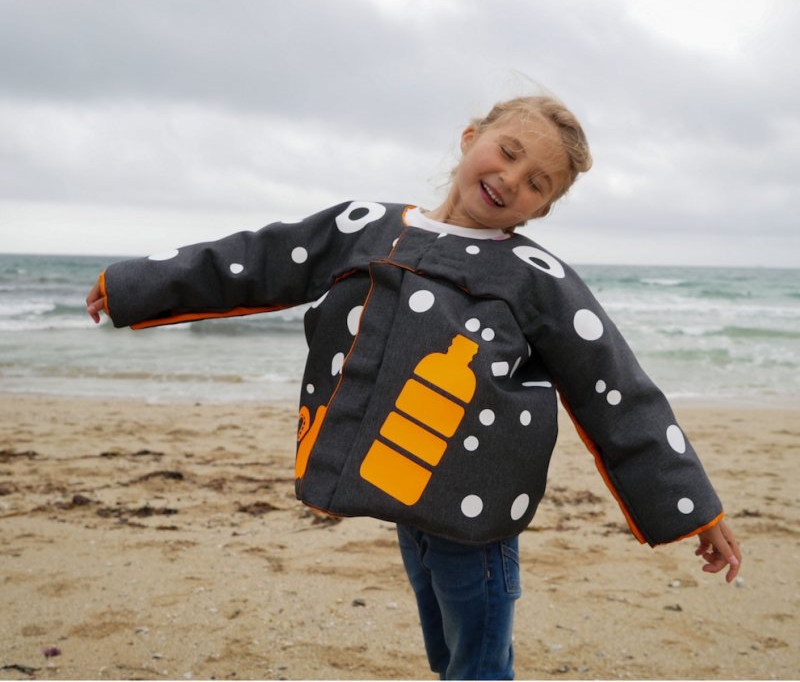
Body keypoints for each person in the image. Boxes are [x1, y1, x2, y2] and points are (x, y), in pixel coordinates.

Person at [86, 94, 741, 680]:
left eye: (536, 182)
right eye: (506, 152)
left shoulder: (537, 279)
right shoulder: (365, 227)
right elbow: (254, 262)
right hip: (406, 496)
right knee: (446, 658)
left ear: (543, 207)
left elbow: (616, 388)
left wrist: (693, 506)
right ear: (469, 137)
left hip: (478, 517)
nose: (510, 178)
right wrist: (136, 286)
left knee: (480, 666)